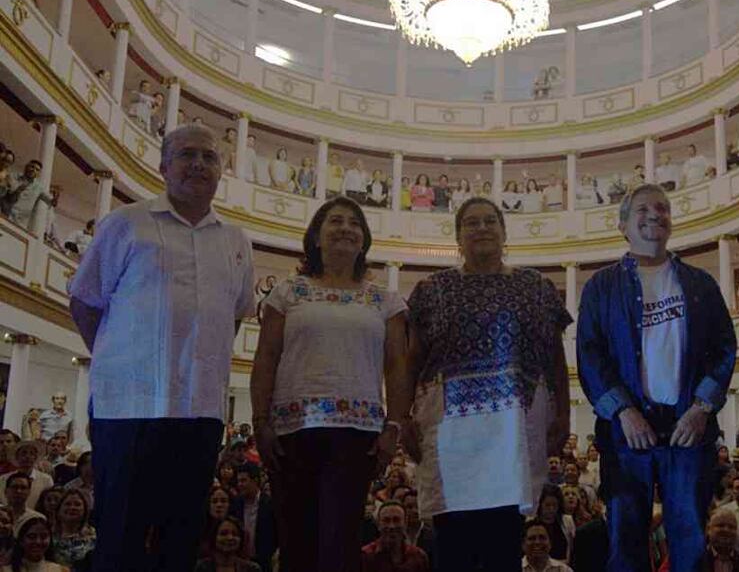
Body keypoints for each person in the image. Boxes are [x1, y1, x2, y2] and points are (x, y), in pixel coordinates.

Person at [68, 124, 255, 571]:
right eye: (187, 154)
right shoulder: (126, 224)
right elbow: (85, 302)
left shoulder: (236, 242)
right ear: (163, 166)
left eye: (209, 157)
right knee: (120, 539)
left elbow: (232, 317)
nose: (198, 164)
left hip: (199, 411)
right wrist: (122, 363)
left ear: (221, 171)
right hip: (129, 409)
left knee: (182, 539)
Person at [402, 197, 571, 571]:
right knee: (452, 547)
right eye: (471, 223)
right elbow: (411, 361)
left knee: (502, 547)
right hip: (450, 439)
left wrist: (563, 416)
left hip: (510, 440)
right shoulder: (431, 289)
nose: (481, 228)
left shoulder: (537, 287)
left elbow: (554, 358)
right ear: (458, 238)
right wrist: (401, 418)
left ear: (504, 232)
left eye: (490, 221)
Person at [577, 183, 736, 572]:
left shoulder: (699, 283)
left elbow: (724, 348)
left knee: (691, 545)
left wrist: (701, 408)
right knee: (625, 547)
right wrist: (623, 412)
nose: (655, 215)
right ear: (623, 226)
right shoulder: (602, 286)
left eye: (662, 209)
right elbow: (589, 354)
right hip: (627, 435)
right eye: (643, 210)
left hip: (689, 430)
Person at [250, 196, 408, 572]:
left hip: (357, 435)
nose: (345, 228)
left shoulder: (384, 299)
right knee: (296, 544)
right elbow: (267, 358)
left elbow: (397, 367)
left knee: (340, 544)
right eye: (335, 221)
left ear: (364, 239)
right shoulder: (288, 292)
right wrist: (260, 421)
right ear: (316, 238)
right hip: (292, 432)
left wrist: (395, 427)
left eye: (355, 223)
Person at [228, 464, 275, 572]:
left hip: (265, 563)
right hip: (239, 562)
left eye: (244, 480)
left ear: (255, 481)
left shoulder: (270, 505)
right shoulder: (235, 504)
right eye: (238, 481)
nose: (240, 485)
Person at [360, 501, 430, 572]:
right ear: (378, 524)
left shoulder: (418, 557)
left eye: (396, 520)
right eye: (386, 520)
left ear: (405, 523)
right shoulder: (365, 556)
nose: (391, 526)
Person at [0, 442, 52, 515]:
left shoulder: (46, 479)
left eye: (31, 453)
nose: (28, 456)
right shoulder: (3, 479)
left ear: (36, 457)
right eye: (24, 453)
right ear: (17, 456)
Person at [193, 517, 260, 572]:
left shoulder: (252, 569)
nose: (230, 538)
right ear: (214, 538)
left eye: (235, 534)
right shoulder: (203, 567)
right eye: (223, 533)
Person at [50, 488, 95, 569]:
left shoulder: (94, 536)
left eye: (77, 504)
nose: (72, 507)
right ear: (59, 509)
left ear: (85, 510)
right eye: (67, 504)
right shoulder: (48, 535)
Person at [2, 160, 51, 229]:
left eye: (37, 170)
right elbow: (10, 192)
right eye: (32, 167)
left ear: (38, 174)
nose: (34, 170)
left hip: (20, 223)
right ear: (26, 167)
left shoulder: (39, 187)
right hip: (5, 215)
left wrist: (55, 199)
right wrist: (21, 188)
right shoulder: (13, 176)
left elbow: (50, 200)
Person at [535, 484, 575, 562]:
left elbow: (572, 549)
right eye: (547, 505)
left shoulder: (567, 521)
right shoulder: (531, 521)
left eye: (554, 505)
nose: (551, 509)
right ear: (540, 505)